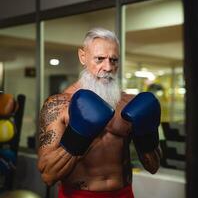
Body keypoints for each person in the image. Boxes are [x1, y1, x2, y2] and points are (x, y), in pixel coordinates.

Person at [37, 27, 161, 198]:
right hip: (78, 195)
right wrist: (77, 137)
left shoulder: (130, 103)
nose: (108, 67)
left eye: (114, 60)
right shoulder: (59, 105)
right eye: (100, 59)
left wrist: (147, 136)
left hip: (123, 194)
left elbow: (153, 166)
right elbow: (48, 176)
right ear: (83, 57)